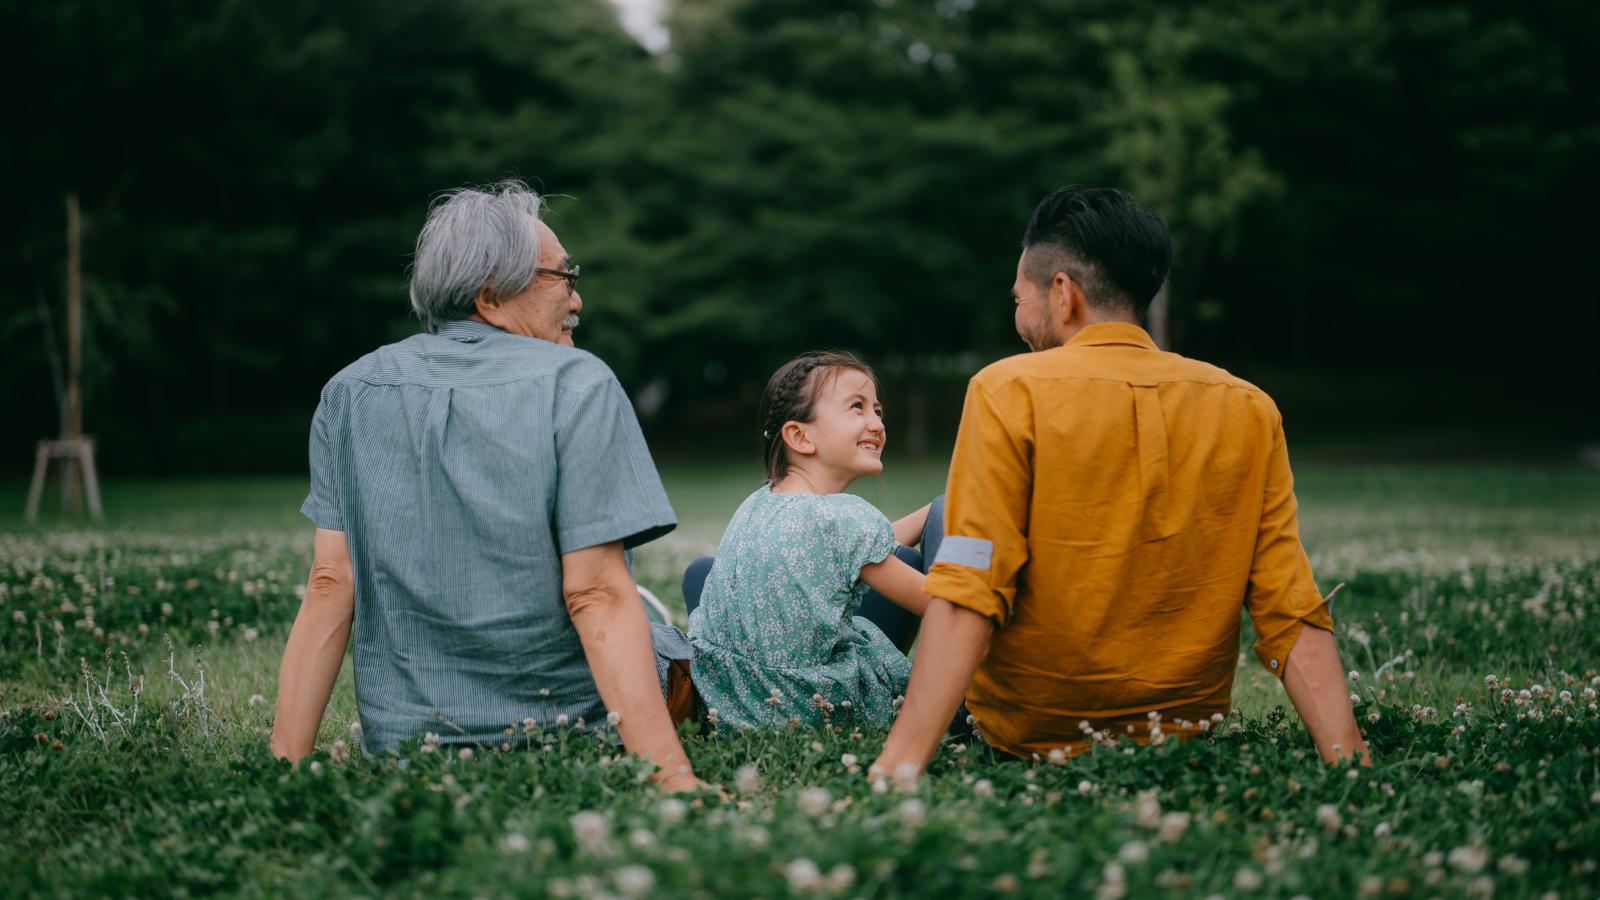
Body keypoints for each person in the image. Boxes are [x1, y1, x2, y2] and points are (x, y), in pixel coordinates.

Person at [871, 186, 1369, 778]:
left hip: (1029, 735)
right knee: (943, 512)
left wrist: (898, 765)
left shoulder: (1008, 390)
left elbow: (971, 586)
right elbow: (1289, 607)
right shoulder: (1249, 408)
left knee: (940, 522)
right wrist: (1352, 766)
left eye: (1018, 299)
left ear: (1063, 295)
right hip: (1180, 739)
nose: (1018, 319)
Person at [270, 180, 704, 792]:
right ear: (492, 295)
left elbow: (329, 583)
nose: (577, 299)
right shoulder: (580, 383)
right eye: (564, 275)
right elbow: (597, 596)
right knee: (683, 650)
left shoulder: (350, 391)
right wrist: (673, 780)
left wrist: (284, 769)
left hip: (408, 746)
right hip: (568, 732)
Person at [682, 351, 937, 728]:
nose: (877, 423)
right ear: (800, 436)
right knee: (910, 563)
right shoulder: (842, 517)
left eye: (877, 411)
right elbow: (941, 605)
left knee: (703, 571)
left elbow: (843, 550)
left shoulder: (759, 502)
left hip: (734, 704)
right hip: (810, 708)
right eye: (857, 407)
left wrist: (931, 510)